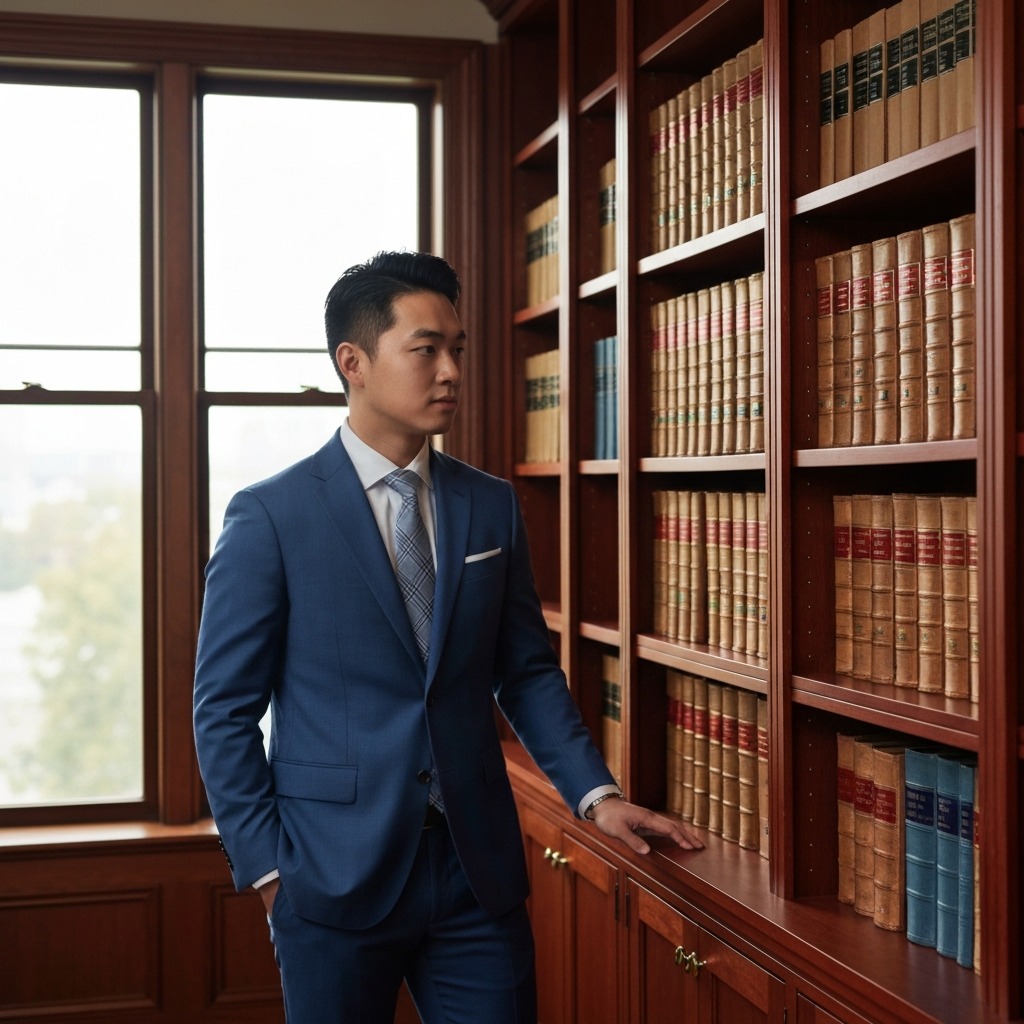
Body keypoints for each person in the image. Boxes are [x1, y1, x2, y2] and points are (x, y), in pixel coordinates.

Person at [193, 251, 702, 1024]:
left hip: (476, 873)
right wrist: (268, 870)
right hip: (327, 876)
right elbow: (223, 710)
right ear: (353, 362)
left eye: (458, 349)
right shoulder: (270, 516)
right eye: (425, 349)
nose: (451, 371)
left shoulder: (488, 506)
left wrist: (596, 797)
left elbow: (526, 672)